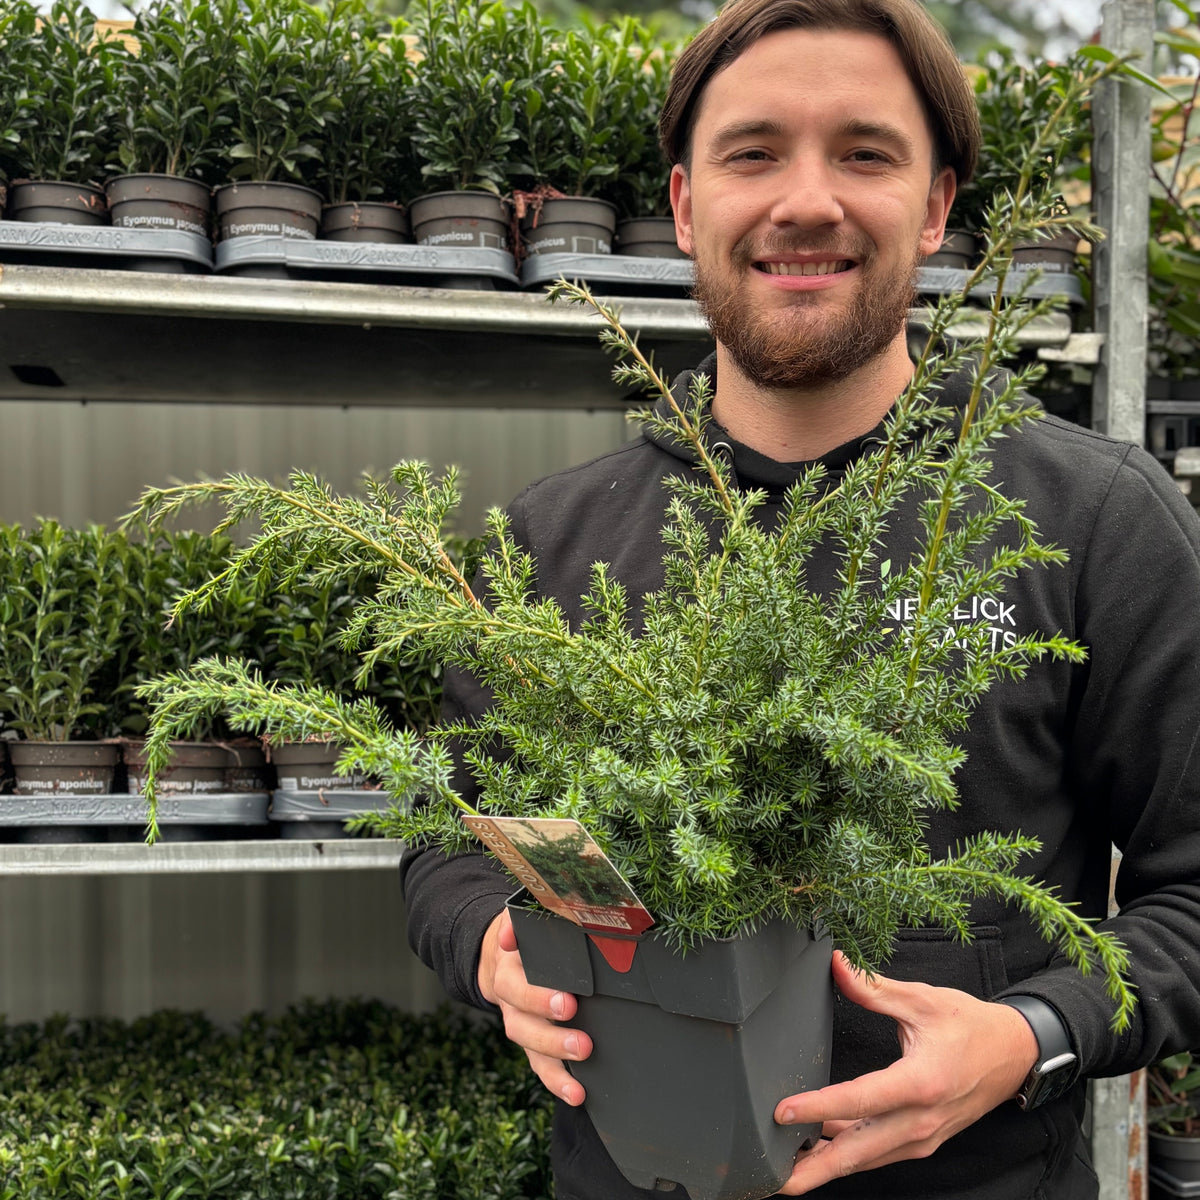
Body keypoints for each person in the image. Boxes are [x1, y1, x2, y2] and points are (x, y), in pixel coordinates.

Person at [401, 0, 1200, 1195]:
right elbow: (444, 838)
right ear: (684, 206)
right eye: (754, 151)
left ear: (936, 209)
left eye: (866, 153)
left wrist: (1034, 1033)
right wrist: (493, 947)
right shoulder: (549, 544)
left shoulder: (1094, 521)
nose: (807, 201)